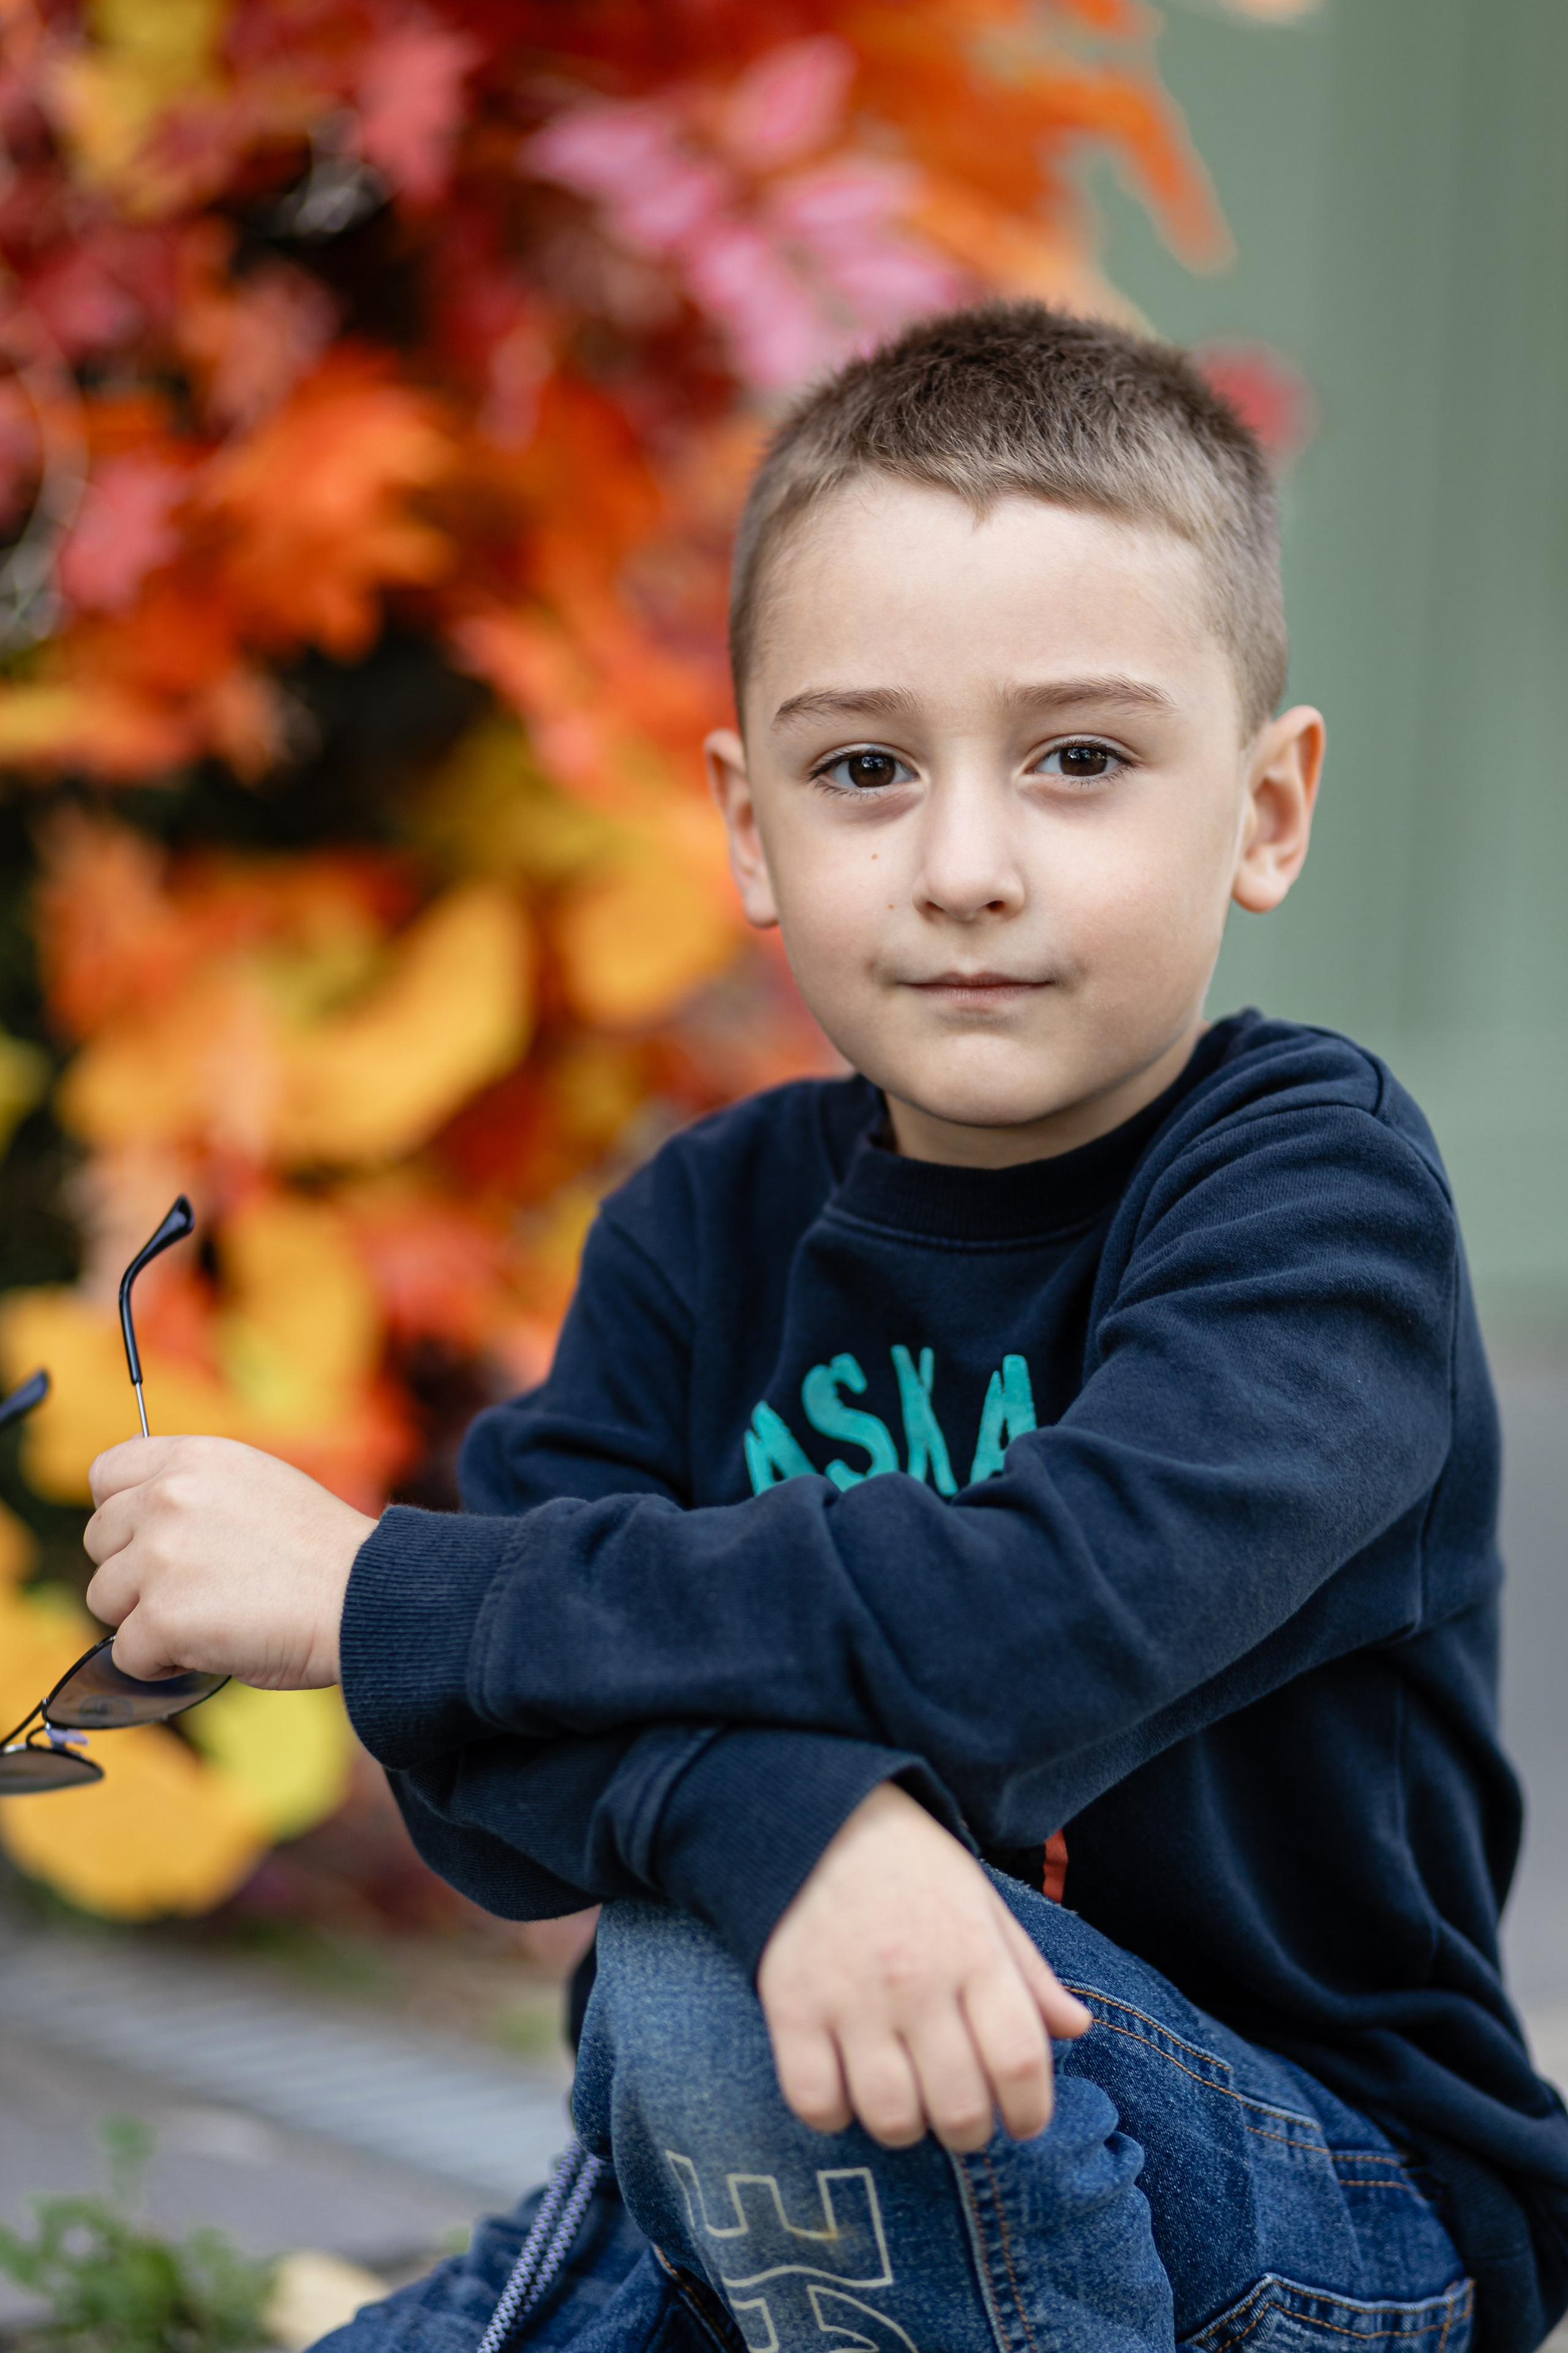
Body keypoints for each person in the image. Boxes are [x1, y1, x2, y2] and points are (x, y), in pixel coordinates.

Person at [80, 304, 1568, 2353]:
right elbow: (477, 1780)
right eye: (866, 767)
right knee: (737, 1977)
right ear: (746, 822)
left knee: (710, 1978)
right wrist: (793, 1827)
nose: (964, 866)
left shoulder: (1314, 1199)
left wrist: (377, 1592)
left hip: (1316, 2206)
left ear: (1266, 808)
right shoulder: (704, 1226)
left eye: (1080, 759)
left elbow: (1029, 1621)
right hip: (765, 2195)